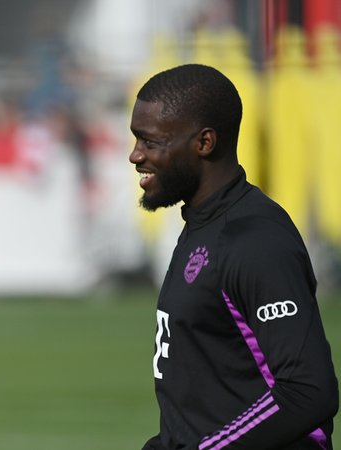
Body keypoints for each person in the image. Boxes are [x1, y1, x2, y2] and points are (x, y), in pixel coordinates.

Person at [129, 63, 338, 449]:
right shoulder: (203, 226)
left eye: (150, 141)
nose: (135, 155)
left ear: (204, 143)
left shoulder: (256, 239)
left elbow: (308, 390)